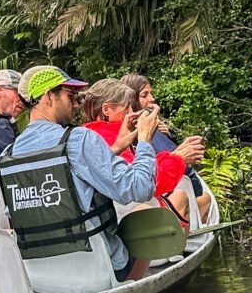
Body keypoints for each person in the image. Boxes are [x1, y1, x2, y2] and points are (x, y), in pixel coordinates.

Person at [0, 65, 162, 281]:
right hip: (98, 269)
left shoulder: (9, 154)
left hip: (42, 276)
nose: (76, 104)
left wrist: (115, 148)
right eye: (70, 96)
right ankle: (133, 285)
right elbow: (140, 188)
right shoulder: (78, 139)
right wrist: (144, 141)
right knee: (145, 216)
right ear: (49, 96)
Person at [80, 77, 204, 225]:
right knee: (180, 196)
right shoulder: (109, 135)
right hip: (126, 214)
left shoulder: (88, 133)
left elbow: (139, 169)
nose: (132, 112)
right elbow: (143, 185)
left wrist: (176, 154)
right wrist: (178, 159)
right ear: (107, 110)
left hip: (112, 213)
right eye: (128, 107)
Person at [120, 72, 211, 222]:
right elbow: (147, 175)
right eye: (145, 95)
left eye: (151, 94)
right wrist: (180, 156)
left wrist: (178, 146)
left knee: (203, 198)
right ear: (131, 100)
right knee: (204, 199)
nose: (152, 99)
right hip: (158, 196)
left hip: (173, 187)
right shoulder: (126, 137)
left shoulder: (157, 131)